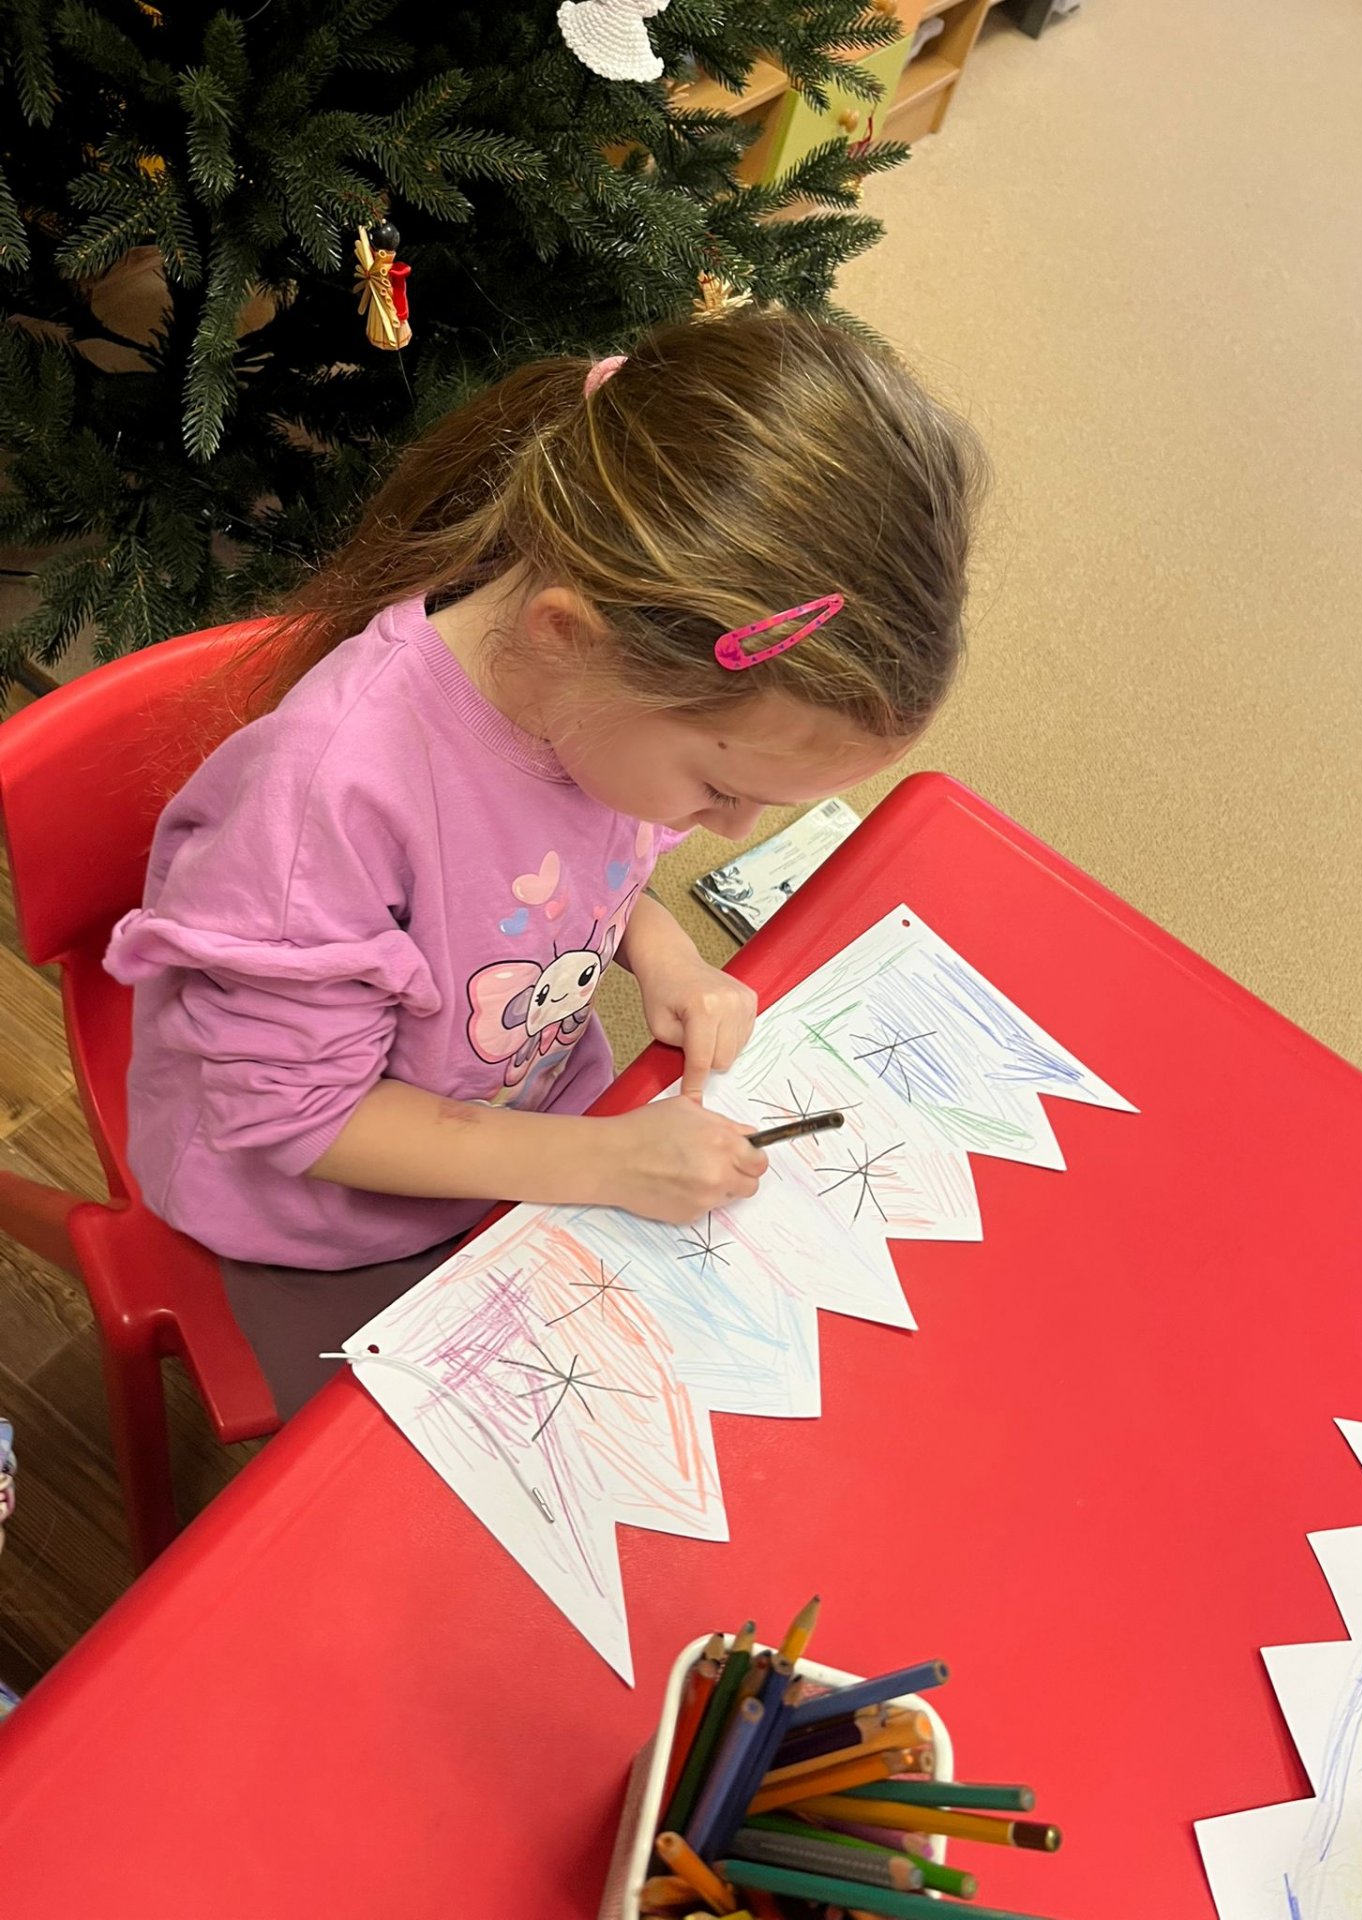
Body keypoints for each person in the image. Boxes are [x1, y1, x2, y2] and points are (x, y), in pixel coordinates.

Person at [105, 307, 986, 1417]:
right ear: (568, 636)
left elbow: (574, 869)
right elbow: (296, 1119)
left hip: (526, 1127)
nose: (729, 833)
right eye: (720, 791)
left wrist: (662, 953)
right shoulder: (332, 795)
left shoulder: (601, 715)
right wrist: (604, 1164)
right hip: (316, 1219)